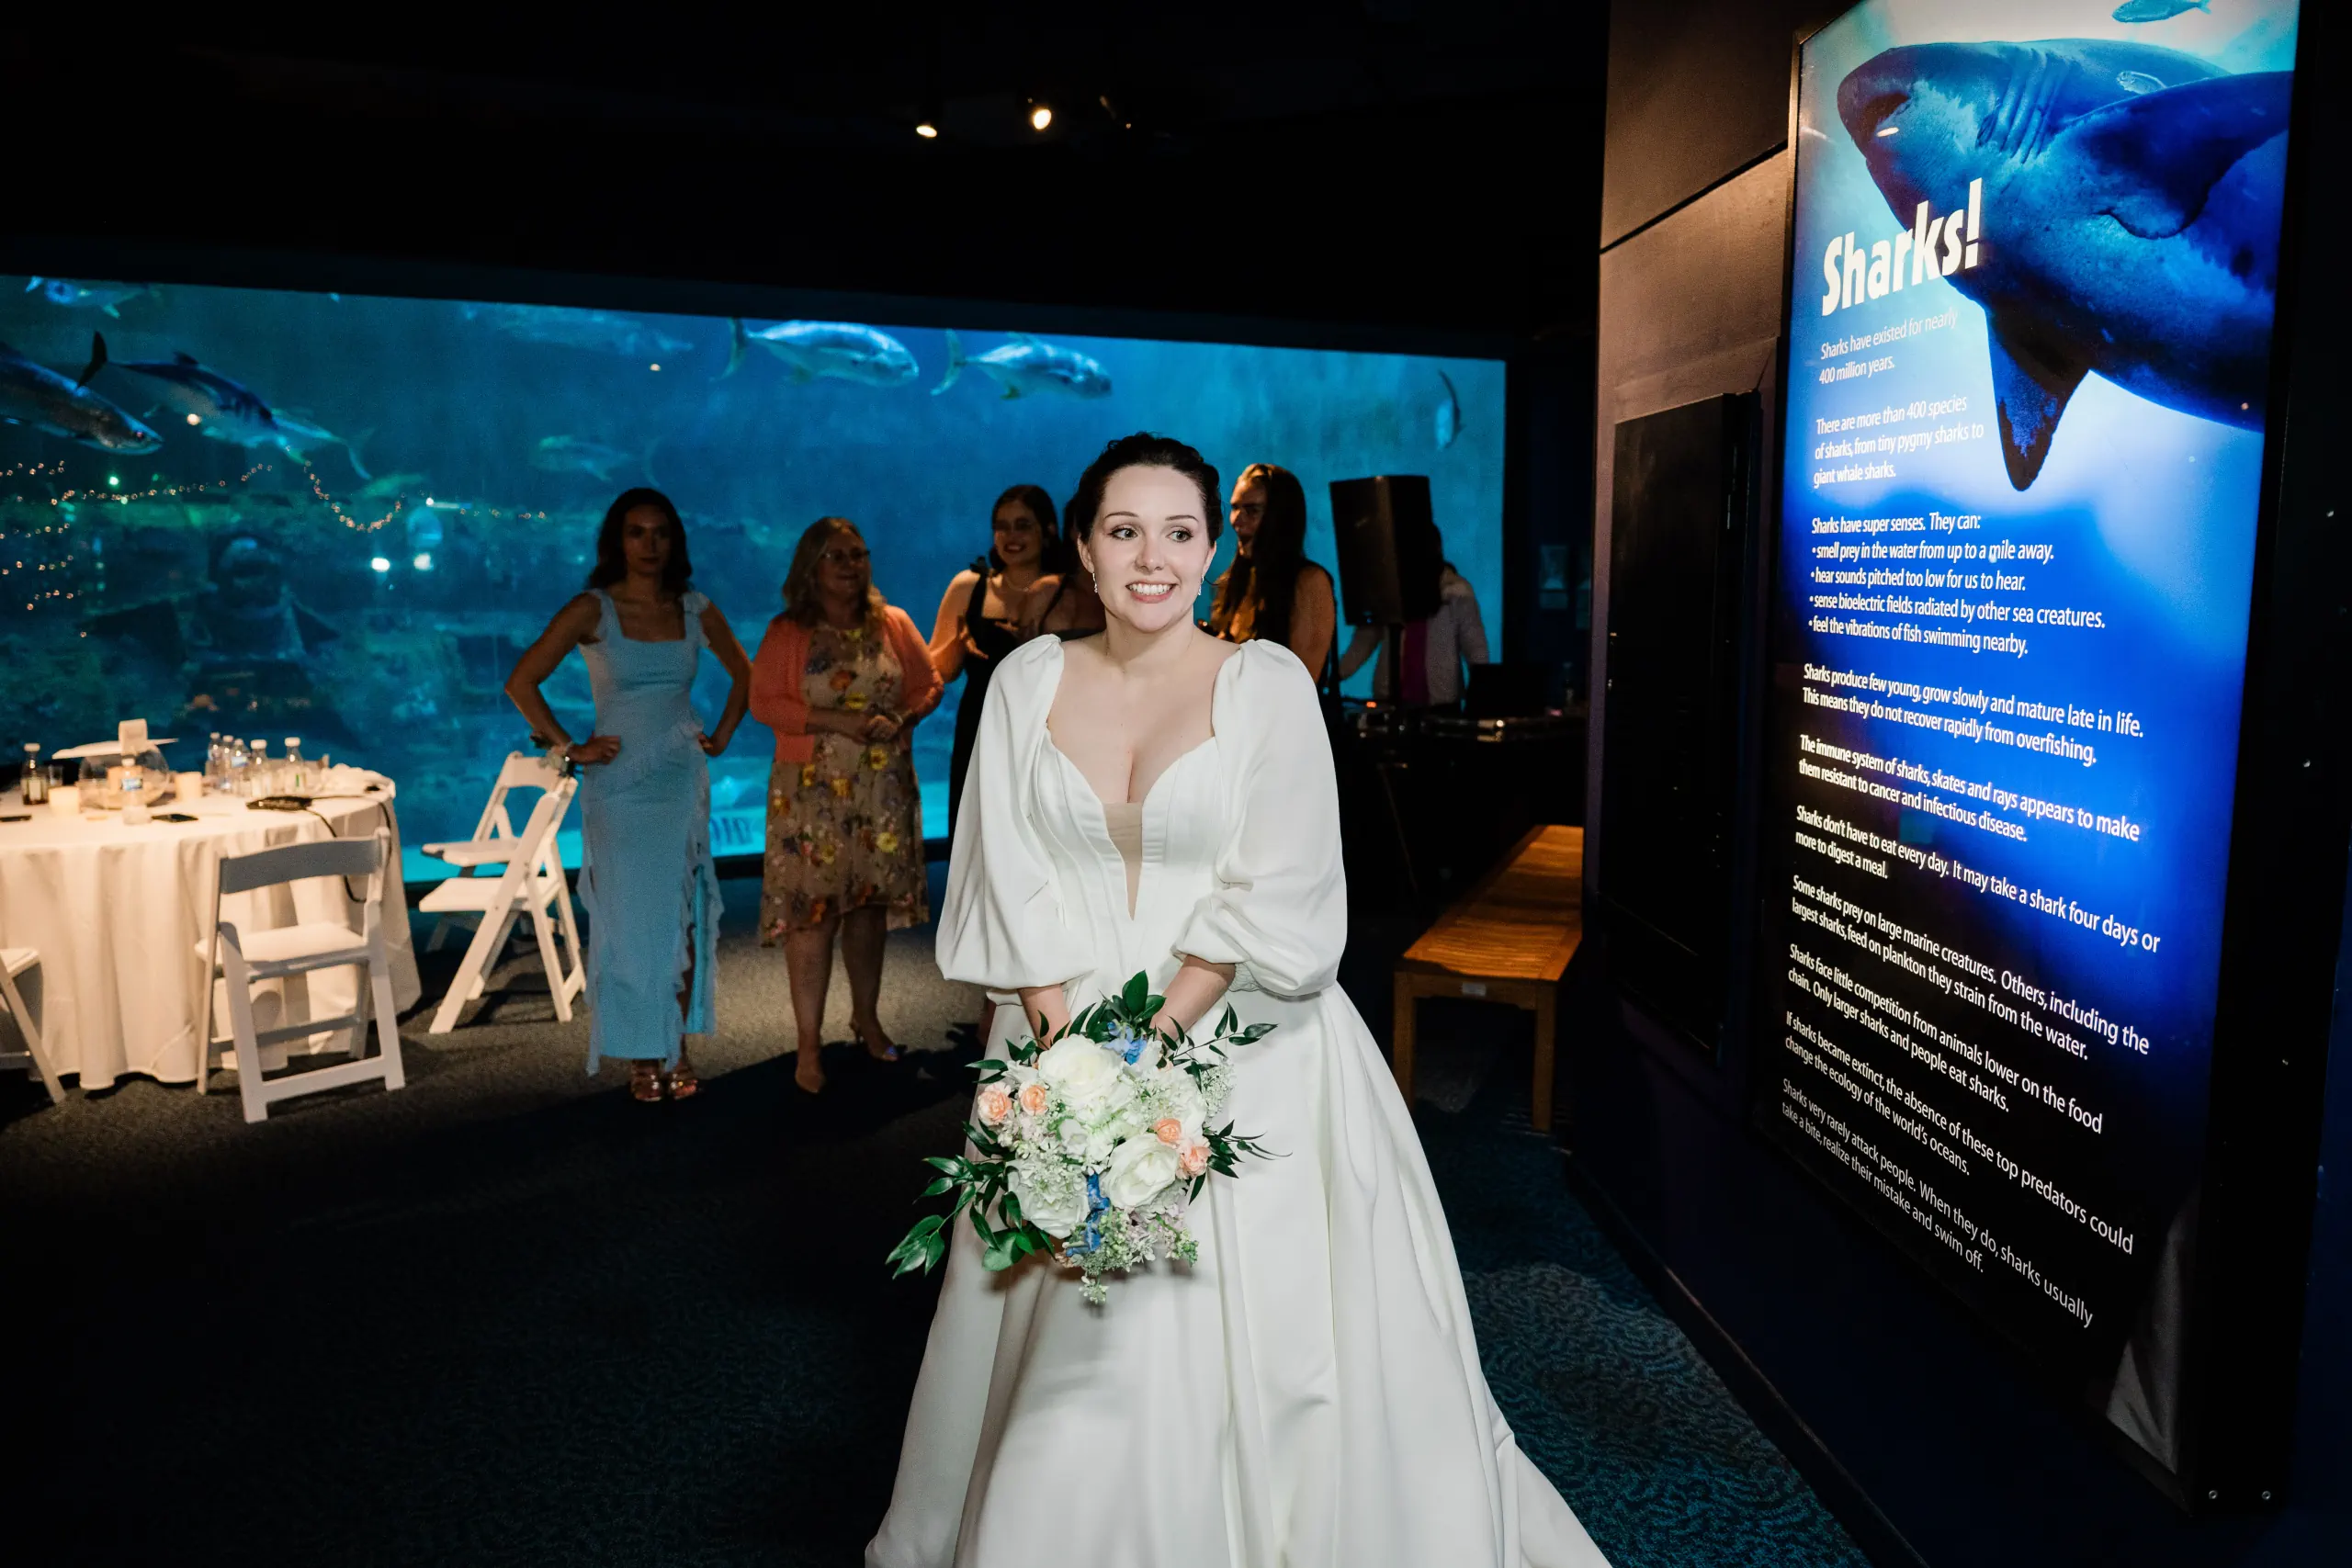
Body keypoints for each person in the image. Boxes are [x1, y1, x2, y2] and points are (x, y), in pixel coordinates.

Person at [865, 434, 1609, 1568]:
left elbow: (1285, 880)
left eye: (1178, 532)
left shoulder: (1262, 685)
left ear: (1214, 549)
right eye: (1124, 532)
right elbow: (1000, 874)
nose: (1151, 559)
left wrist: (1146, 1058)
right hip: (1054, 1025)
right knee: (1065, 1337)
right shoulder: (1023, 682)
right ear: (1086, 545)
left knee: (1254, 1348)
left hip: (1243, 1041)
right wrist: (1069, 1065)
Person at [504, 488, 751, 1102]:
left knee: (680, 918)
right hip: (618, 788)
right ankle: (641, 1053)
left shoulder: (695, 608)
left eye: (661, 532)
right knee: (626, 920)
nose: (650, 544)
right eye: (637, 532)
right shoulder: (593, 609)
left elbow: (746, 674)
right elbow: (522, 680)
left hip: (678, 780)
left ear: (675, 541)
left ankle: (674, 1042)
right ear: (617, 540)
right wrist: (569, 746)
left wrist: (720, 734)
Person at [752, 517, 943, 1093]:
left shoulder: (893, 623)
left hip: (880, 791)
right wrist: (837, 721)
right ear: (811, 566)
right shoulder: (788, 632)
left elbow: (928, 682)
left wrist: (903, 718)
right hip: (810, 792)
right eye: (837, 556)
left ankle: (867, 1015)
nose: (851, 565)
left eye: (858, 554)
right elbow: (765, 701)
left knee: (866, 909)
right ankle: (807, 1045)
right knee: (813, 916)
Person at [930, 485, 1062, 838]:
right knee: (981, 839)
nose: (1010, 536)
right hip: (982, 730)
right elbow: (939, 672)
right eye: (1002, 526)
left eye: (1023, 525)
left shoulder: (1069, 591)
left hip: (1051, 733)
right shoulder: (968, 587)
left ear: (1048, 530)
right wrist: (958, 644)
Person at [1206, 460, 1338, 684]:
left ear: (1281, 518)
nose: (1237, 520)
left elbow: (1301, 682)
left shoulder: (1309, 582)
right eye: (1236, 507)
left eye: (1252, 510)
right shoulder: (1234, 582)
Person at [1338, 552, 1491, 705]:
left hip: (1439, 703)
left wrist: (1482, 697)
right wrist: (1331, 677)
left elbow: (1476, 650)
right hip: (1392, 699)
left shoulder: (1457, 592)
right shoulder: (1388, 589)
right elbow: (1362, 643)